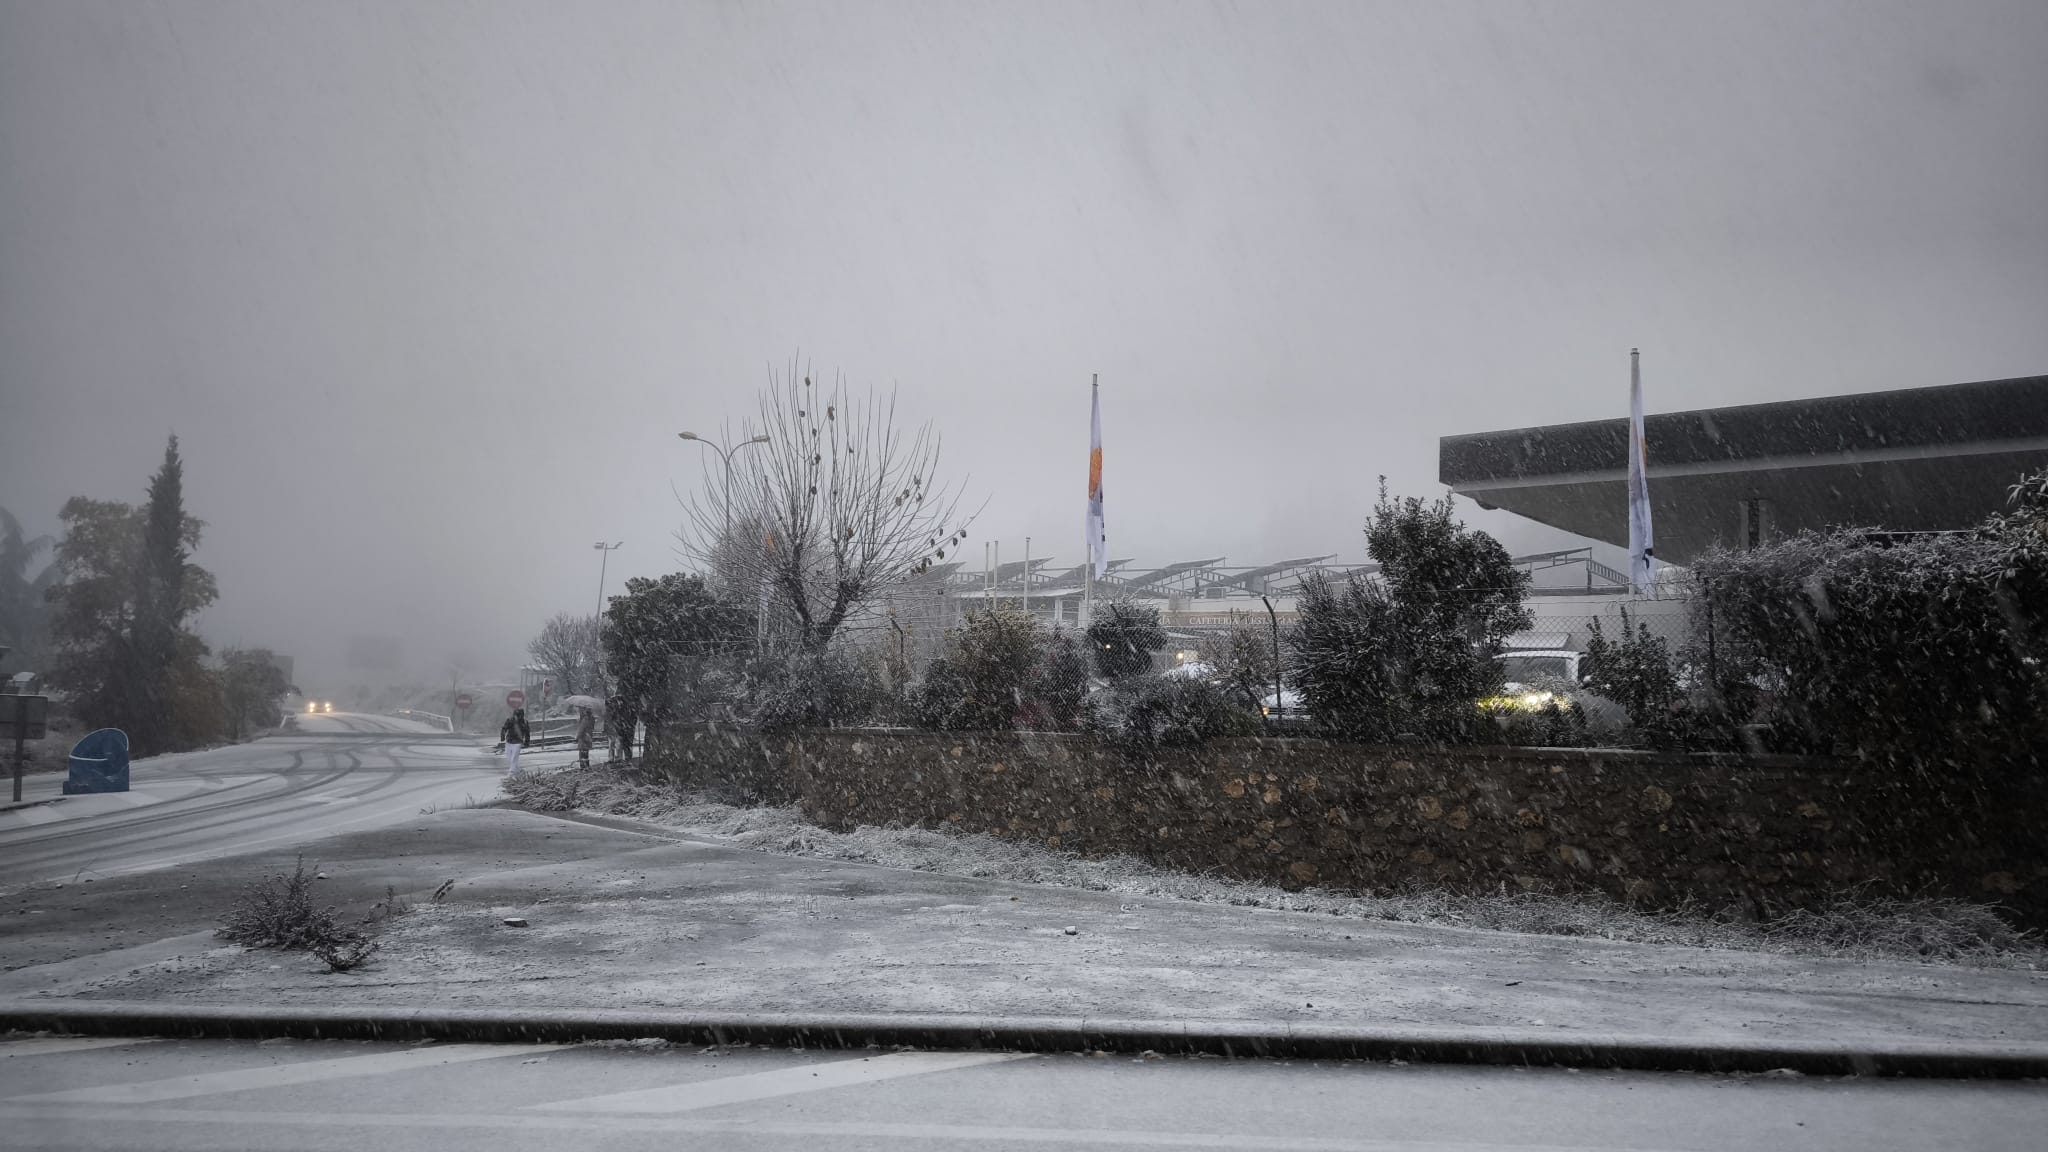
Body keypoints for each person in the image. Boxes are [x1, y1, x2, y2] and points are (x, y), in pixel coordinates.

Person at [499, 708, 530, 776]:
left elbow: (527, 733)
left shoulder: (525, 722)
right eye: (516, 714)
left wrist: (527, 742)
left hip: (518, 742)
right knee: (509, 758)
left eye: (519, 715)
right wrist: (502, 736)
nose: (518, 716)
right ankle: (518, 770)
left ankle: (512, 772)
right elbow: (504, 728)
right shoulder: (510, 720)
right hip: (509, 741)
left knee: (514, 758)